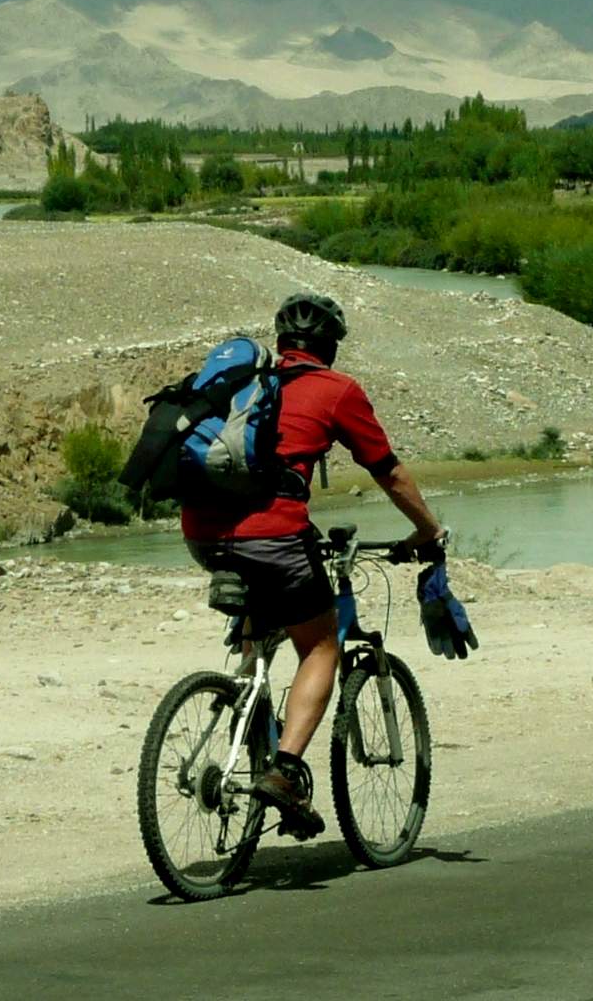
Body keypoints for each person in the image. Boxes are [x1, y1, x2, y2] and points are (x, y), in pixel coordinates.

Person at [182, 292, 445, 839]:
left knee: (263, 624)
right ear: (330, 345)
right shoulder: (336, 390)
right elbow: (389, 472)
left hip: (203, 534)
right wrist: (428, 529)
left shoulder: (244, 386)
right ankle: (281, 770)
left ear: (280, 342)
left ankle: (249, 701)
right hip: (275, 536)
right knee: (321, 643)